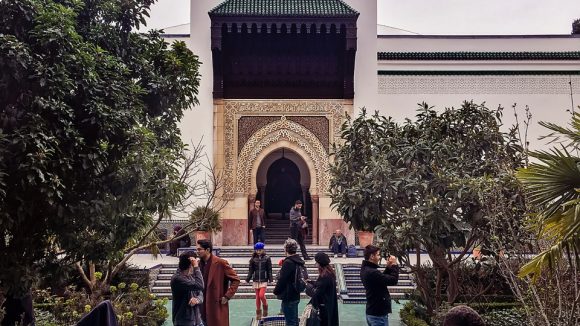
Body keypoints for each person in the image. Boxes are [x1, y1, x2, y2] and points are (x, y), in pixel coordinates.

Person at [196, 239, 240, 326]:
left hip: (216, 304)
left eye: (199, 249)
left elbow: (236, 279)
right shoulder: (198, 264)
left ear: (207, 250)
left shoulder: (221, 263)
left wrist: (227, 296)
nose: (197, 252)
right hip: (201, 304)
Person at [360, 245, 399, 326]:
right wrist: (394, 265)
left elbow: (380, 280)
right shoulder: (372, 272)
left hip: (373, 311)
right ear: (371, 256)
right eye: (378, 255)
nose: (380, 257)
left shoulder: (366, 269)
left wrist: (388, 267)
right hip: (378, 315)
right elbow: (393, 280)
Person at [273, 238, 306, 326]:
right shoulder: (299, 261)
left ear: (286, 249)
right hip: (296, 294)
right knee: (294, 320)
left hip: (288, 295)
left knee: (290, 322)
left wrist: (276, 291)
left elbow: (282, 279)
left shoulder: (288, 262)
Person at [170, 251, 204, 326]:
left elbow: (200, 293)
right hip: (184, 322)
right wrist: (196, 267)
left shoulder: (190, 276)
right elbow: (200, 285)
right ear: (190, 264)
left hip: (197, 320)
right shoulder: (177, 279)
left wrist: (197, 299)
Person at [305, 252, 339, 326]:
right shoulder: (330, 273)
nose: (316, 265)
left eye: (316, 262)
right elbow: (321, 285)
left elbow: (318, 293)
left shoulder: (325, 276)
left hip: (324, 308)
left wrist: (307, 288)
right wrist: (312, 282)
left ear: (320, 264)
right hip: (329, 306)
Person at [246, 242, 273, 320]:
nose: (258, 252)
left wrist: (270, 279)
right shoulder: (253, 259)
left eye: (260, 250)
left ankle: (265, 307)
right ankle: (258, 313)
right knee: (257, 297)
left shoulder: (267, 258)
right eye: (257, 250)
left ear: (263, 250)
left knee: (261, 295)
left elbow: (269, 270)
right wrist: (247, 279)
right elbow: (250, 270)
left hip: (264, 279)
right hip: (256, 279)